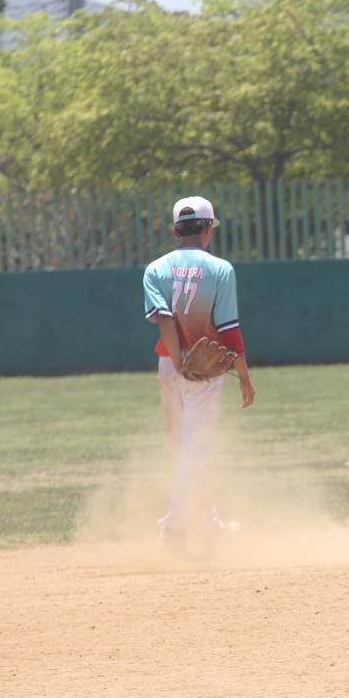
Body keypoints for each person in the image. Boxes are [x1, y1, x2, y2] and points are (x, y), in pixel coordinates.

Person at [142, 196, 255, 549]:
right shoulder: (220, 269)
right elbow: (230, 332)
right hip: (205, 371)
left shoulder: (155, 269)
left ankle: (210, 525)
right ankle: (173, 529)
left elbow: (163, 320)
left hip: (169, 365)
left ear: (176, 230)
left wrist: (177, 363)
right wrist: (245, 376)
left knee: (185, 449)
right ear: (207, 229)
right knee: (195, 450)